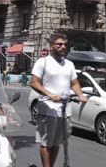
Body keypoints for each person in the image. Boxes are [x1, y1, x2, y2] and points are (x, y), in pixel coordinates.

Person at [30, 33, 88, 167]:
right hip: (48, 109)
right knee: (47, 143)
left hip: (65, 111)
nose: (63, 47)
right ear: (51, 46)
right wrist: (50, 94)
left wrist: (80, 95)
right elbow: (34, 83)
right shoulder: (43, 62)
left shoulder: (69, 64)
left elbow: (74, 83)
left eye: (65, 45)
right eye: (59, 44)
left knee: (57, 143)